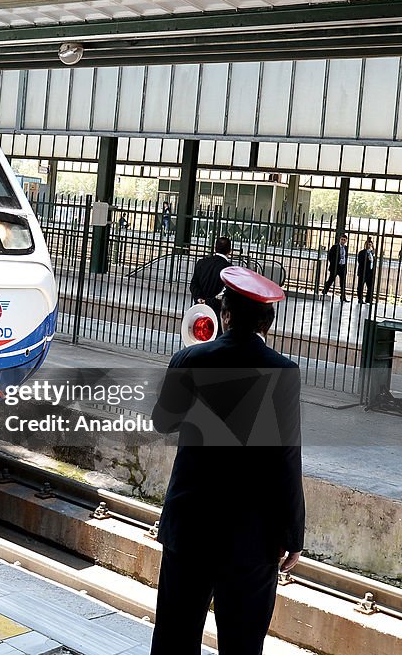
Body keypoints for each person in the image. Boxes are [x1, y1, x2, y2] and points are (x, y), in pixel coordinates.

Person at [151, 266, 305, 655]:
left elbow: (163, 422)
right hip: (252, 536)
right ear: (267, 321)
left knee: (174, 637)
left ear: (226, 315)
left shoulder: (189, 358)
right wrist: (293, 534)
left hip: (190, 526)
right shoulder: (283, 372)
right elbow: (286, 458)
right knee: (242, 643)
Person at [189, 236, 233, 331]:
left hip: (199, 310)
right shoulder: (229, 269)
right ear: (229, 251)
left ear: (215, 248)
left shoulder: (201, 262)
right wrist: (209, 302)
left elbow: (193, 284)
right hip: (217, 313)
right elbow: (226, 293)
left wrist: (199, 298)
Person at [322, 234, 348, 302]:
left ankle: (343, 297)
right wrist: (334, 263)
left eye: (344, 240)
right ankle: (324, 292)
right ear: (340, 239)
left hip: (342, 267)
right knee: (331, 280)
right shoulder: (335, 247)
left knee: (342, 283)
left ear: (346, 241)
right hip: (335, 267)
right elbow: (330, 256)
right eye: (342, 239)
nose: (342, 241)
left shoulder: (346, 248)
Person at [356, 238, 376, 305]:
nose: (369, 246)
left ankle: (368, 300)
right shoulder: (362, 252)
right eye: (368, 244)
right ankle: (360, 299)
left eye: (370, 244)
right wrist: (367, 258)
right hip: (363, 272)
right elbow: (360, 261)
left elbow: (373, 262)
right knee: (360, 286)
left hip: (370, 272)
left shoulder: (372, 253)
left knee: (370, 287)